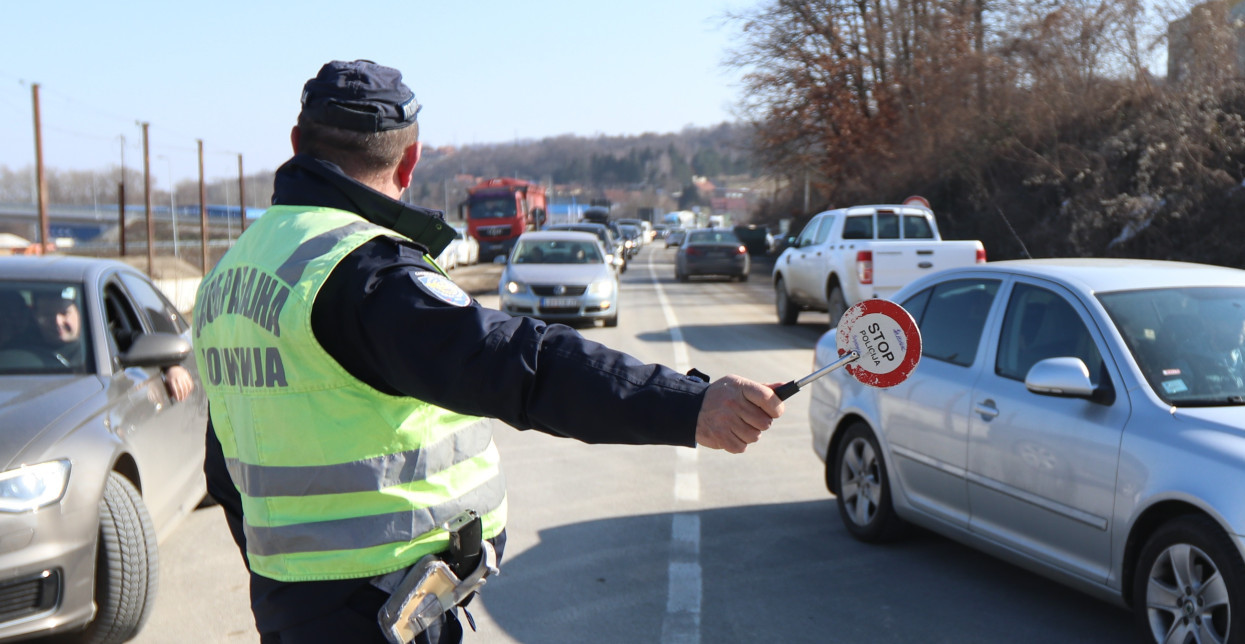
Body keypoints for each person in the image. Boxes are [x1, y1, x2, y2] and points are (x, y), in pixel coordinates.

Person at [194, 60, 784, 644]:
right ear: (410, 159)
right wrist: (689, 405)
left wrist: (287, 579)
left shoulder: (230, 274)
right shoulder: (364, 272)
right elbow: (524, 366)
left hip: (288, 600)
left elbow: (226, 464)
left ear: (297, 144)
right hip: (376, 606)